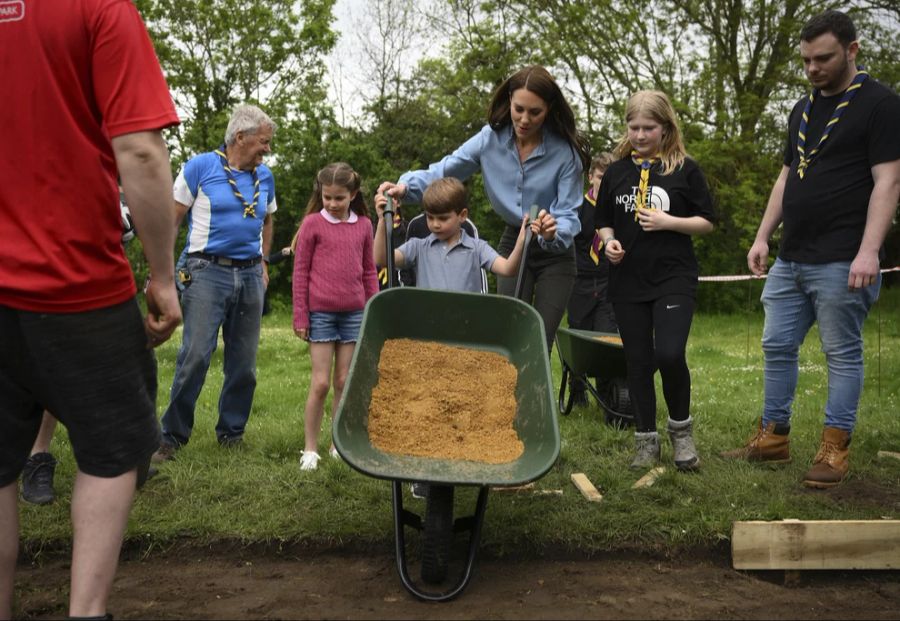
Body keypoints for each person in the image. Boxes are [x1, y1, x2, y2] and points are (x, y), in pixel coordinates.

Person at [0, 1, 181, 617]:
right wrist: (162, 276)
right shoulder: (99, 7)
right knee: (110, 454)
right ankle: (86, 612)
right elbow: (140, 152)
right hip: (77, 283)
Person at [722, 10, 900, 488]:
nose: (813, 69)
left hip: (845, 258)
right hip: (792, 256)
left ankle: (834, 450)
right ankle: (773, 438)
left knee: (842, 354)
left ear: (852, 50)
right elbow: (786, 177)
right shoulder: (802, 109)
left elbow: (889, 181)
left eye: (823, 58)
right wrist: (763, 236)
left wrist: (870, 250)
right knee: (777, 345)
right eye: (806, 61)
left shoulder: (881, 105)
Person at [377, 65, 591, 350]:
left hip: (555, 252)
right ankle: (505, 395)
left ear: (549, 109)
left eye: (535, 112)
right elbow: (445, 169)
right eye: (519, 109)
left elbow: (567, 214)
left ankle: (536, 395)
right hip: (514, 241)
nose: (524, 119)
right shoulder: (490, 138)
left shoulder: (565, 153)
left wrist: (552, 232)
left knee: (540, 336)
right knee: (509, 333)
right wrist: (406, 187)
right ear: (509, 101)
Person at [596, 90, 716, 471]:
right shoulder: (616, 172)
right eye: (634, 127)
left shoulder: (684, 170)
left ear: (666, 128)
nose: (640, 135)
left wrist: (669, 222)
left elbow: (707, 221)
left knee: (668, 353)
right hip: (627, 279)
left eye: (649, 128)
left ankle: (681, 433)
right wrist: (609, 241)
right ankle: (645, 441)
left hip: (673, 277)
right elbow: (603, 220)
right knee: (638, 362)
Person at [154, 104, 278, 461]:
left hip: (251, 274)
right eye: (263, 142)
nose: (266, 149)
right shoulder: (200, 167)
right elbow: (171, 222)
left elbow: (268, 220)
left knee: (244, 362)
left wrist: (265, 261)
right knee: (195, 356)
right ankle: (171, 437)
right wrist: (161, 273)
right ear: (240, 137)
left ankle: (231, 434)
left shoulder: (264, 176)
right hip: (207, 272)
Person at [293, 163, 379, 471]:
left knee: (344, 380)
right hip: (321, 314)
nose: (331, 203)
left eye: (338, 198)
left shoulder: (365, 225)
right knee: (320, 384)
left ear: (353, 195)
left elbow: (369, 271)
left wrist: (372, 311)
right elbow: (300, 271)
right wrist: (301, 315)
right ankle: (310, 449)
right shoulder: (312, 224)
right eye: (327, 197)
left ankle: (336, 444)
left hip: (354, 314)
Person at [374, 178, 531, 291]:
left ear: (462, 215)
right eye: (430, 217)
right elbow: (381, 259)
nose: (435, 224)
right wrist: (383, 220)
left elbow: (508, 269)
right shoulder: (418, 247)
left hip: (466, 331)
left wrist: (522, 239)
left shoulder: (477, 248)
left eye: (443, 218)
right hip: (428, 330)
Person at [567, 152, 617, 407]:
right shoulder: (576, 208)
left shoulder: (619, 208)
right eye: (600, 177)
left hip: (609, 284)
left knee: (606, 340)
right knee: (579, 341)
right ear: (590, 177)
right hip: (580, 283)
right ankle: (577, 393)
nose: (604, 182)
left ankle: (608, 398)